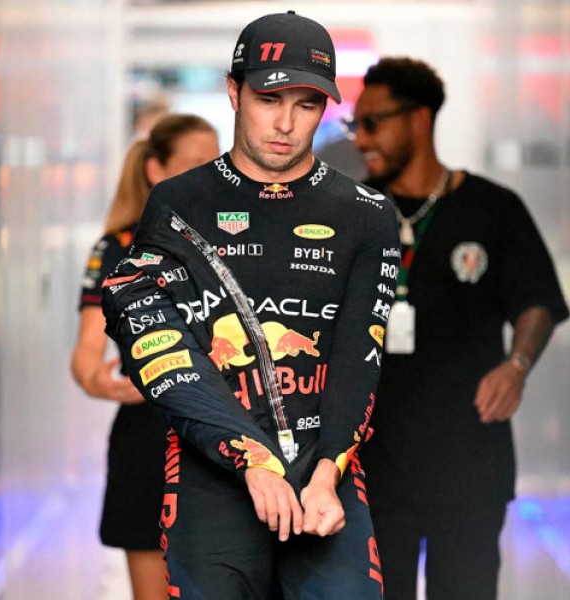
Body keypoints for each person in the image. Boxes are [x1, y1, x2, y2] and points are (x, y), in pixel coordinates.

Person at [99, 11, 399, 599]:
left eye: (307, 104)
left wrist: (327, 472)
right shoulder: (177, 204)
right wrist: (250, 457)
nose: (286, 123)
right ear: (234, 92)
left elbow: (360, 355)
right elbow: (159, 346)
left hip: (323, 475)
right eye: (268, 99)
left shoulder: (366, 214)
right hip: (210, 478)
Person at [348, 57, 570, 600]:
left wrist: (517, 365)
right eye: (356, 125)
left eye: (372, 123)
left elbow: (537, 301)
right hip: (374, 463)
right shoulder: (351, 214)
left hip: (468, 459)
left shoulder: (493, 210)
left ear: (419, 119)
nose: (360, 139)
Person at [71, 114, 220, 600]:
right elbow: (87, 351)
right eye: (196, 163)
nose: (211, 174)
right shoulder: (117, 249)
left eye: (217, 162)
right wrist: (99, 380)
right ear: (156, 169)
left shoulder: (237, 241)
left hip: (228, 438)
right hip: (147, 441)